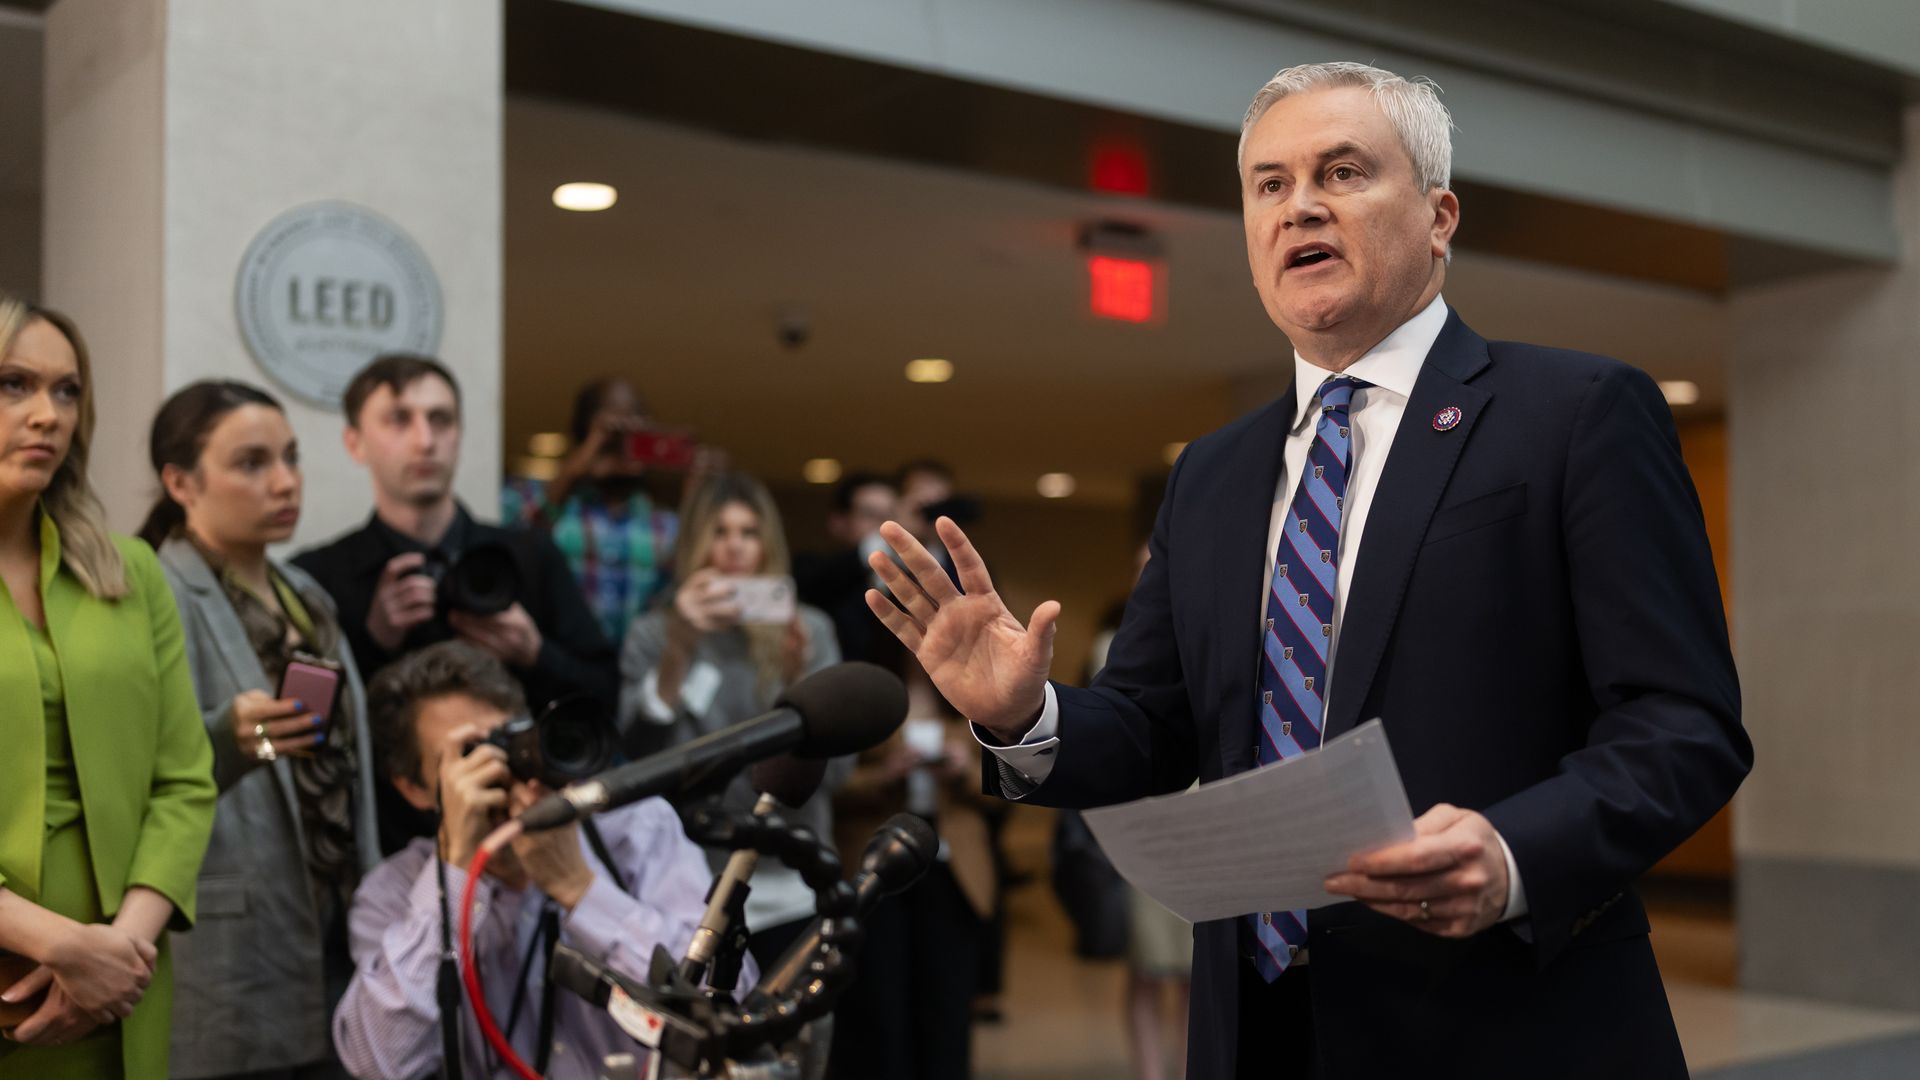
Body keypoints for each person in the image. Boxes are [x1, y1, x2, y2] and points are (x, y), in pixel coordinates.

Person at [863, 62, 1750, 1079]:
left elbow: (1682, 725)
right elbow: (1155, 729)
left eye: (1342, 172)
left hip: (1506, 1021)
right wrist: (1025, 717)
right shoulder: (1211, 473)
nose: (1301, 207)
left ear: (1437, 214)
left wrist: (1512, 856)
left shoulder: (1576, 414)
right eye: (1270, 185)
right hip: (1259, 1028)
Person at [332, 642, 728, 1079]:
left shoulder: (634, 829)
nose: (502, 769)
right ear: (414, 788)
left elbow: (724, 1002)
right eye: (472, 754)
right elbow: (378, 1064)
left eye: (509, 742)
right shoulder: (395, 891)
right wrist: (455, 872)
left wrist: (581, 889)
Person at [0, 295, 216, 1078]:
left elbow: (185, 779)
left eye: (67, 390)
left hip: (122, 986)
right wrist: (60, 946)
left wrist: (120, 949)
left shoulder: (130, 572)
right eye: (13, 385)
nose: (45, 415)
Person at [139, 379, 381, 1079]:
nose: (285, 481)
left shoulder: (308, 595)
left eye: (291, 458)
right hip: (234, 934)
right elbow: (129, 780)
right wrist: (225, 739)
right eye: (252, 463)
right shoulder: (154, 593)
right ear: (181, 481)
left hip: (340, 917)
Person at [293, 353, 617, 854]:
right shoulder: (319, 577)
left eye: (440, 419)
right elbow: (306, 734)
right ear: (354, 442)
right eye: (399, 420)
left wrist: (535, 654)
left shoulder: (529, 557)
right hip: (382, 844)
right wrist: (369, 640)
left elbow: (606, 698)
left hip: (530, 836)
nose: (424, 440)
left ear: (460, 434)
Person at [619, 471, 846, 966]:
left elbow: (839, 772)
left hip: (791, 867)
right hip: (691, 871)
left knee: (795, 1035)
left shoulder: (809, 631)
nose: (734, 548)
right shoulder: (655, 635)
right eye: (718, 532)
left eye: (748, 532)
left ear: (769, 544)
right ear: (695, 545)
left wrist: (796, 684)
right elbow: (640, 763)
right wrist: (679, 650)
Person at [501, 377, 681, 644]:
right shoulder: (538, 498)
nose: (622, 443)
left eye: (635, 430)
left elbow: (671, 605)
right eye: (614, 432)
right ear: (586, 431)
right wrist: (576, 469)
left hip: (629, 673)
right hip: (556, 667)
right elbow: (518, 546)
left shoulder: (665, 527)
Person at [794, 471, 901, 671]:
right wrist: (866, 553)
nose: (883, 525)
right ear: (839, 522)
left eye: (889, 515)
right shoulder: (814, 568)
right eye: (870, 515)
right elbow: (813, 583)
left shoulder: (905, 576)